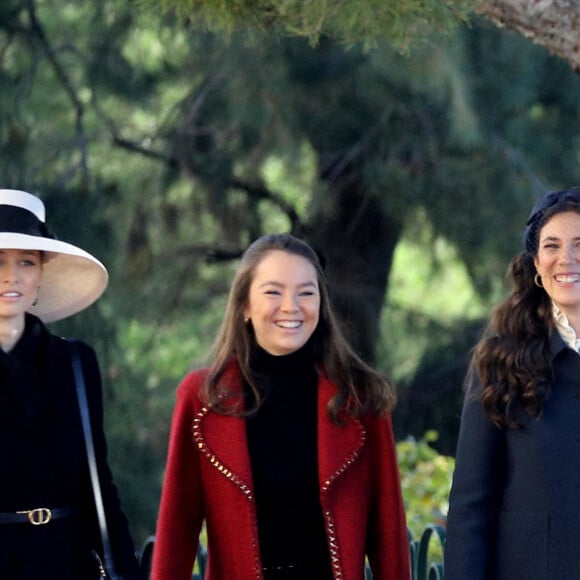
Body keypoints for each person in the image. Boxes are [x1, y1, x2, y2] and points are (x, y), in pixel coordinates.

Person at [151, 233, 410, 580]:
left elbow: (389, 538)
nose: (291, 306)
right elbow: (176, 534)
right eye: (273, 291)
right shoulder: (202, 399)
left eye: (306, 292)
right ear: (244, 305)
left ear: (321, 304)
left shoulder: (361, 398)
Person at [0, 189, 139, 579]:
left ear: (42, 271)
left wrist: (125, 571)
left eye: (25, 262)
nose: (12, 276)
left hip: (68, 561)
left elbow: (99, 488)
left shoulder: (75, 363)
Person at [444, 185, 580, 580]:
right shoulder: (500, 361)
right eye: (552, 245)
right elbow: (472, 505)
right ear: (536, 263)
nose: (566, 258)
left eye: (579, 243)